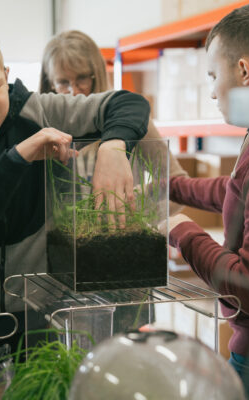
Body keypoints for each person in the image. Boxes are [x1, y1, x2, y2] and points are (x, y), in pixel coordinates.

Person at [0, 23, 150, 348]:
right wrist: (16, 158)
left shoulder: (41, 110)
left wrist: (114, 147)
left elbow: (129, 104)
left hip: (40, 308)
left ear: (6, 74)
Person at [163, 4, 249, 399]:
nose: (210, 90)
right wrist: (171, 186)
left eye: (213, 75)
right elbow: (240, 192)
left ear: (243, 71)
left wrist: (182, 232)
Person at [39, 30, 189, 334]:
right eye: (62, 82)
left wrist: (133, 201)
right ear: (49, 84)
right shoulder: (41, 129)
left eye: (83, 79)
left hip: (125, 275)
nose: (73, 92)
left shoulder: (130, 121)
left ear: (98, 75)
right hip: (62, 280)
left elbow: (176, 184)